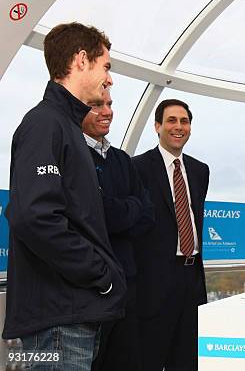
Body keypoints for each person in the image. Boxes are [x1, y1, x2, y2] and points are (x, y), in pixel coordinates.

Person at [2, 22, 127, 370]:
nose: (110, 78)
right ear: (82, 60)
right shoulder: (45, 124)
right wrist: (99, 275)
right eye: (106, 66)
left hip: (69, 315)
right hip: (59, 321)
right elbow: (34, 216)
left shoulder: (66, 127)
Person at [133, 99, 209, 371]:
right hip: (154, 285)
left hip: (192, 281)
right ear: (157, 126)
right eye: (172, 121)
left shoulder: (200, 170)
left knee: (188, 361)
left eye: (184, 121)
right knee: (150, 358)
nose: (179, 127)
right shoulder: (137, 168)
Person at [82, 88, 154, 371]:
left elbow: (148, 215)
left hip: (126, 285)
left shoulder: (123, 160)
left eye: (110, 104)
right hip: (90, 287)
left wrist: (118, 209)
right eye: (96, 105)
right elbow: (94, 214)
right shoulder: (74, 155)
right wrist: (129, 207)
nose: (107, 111)